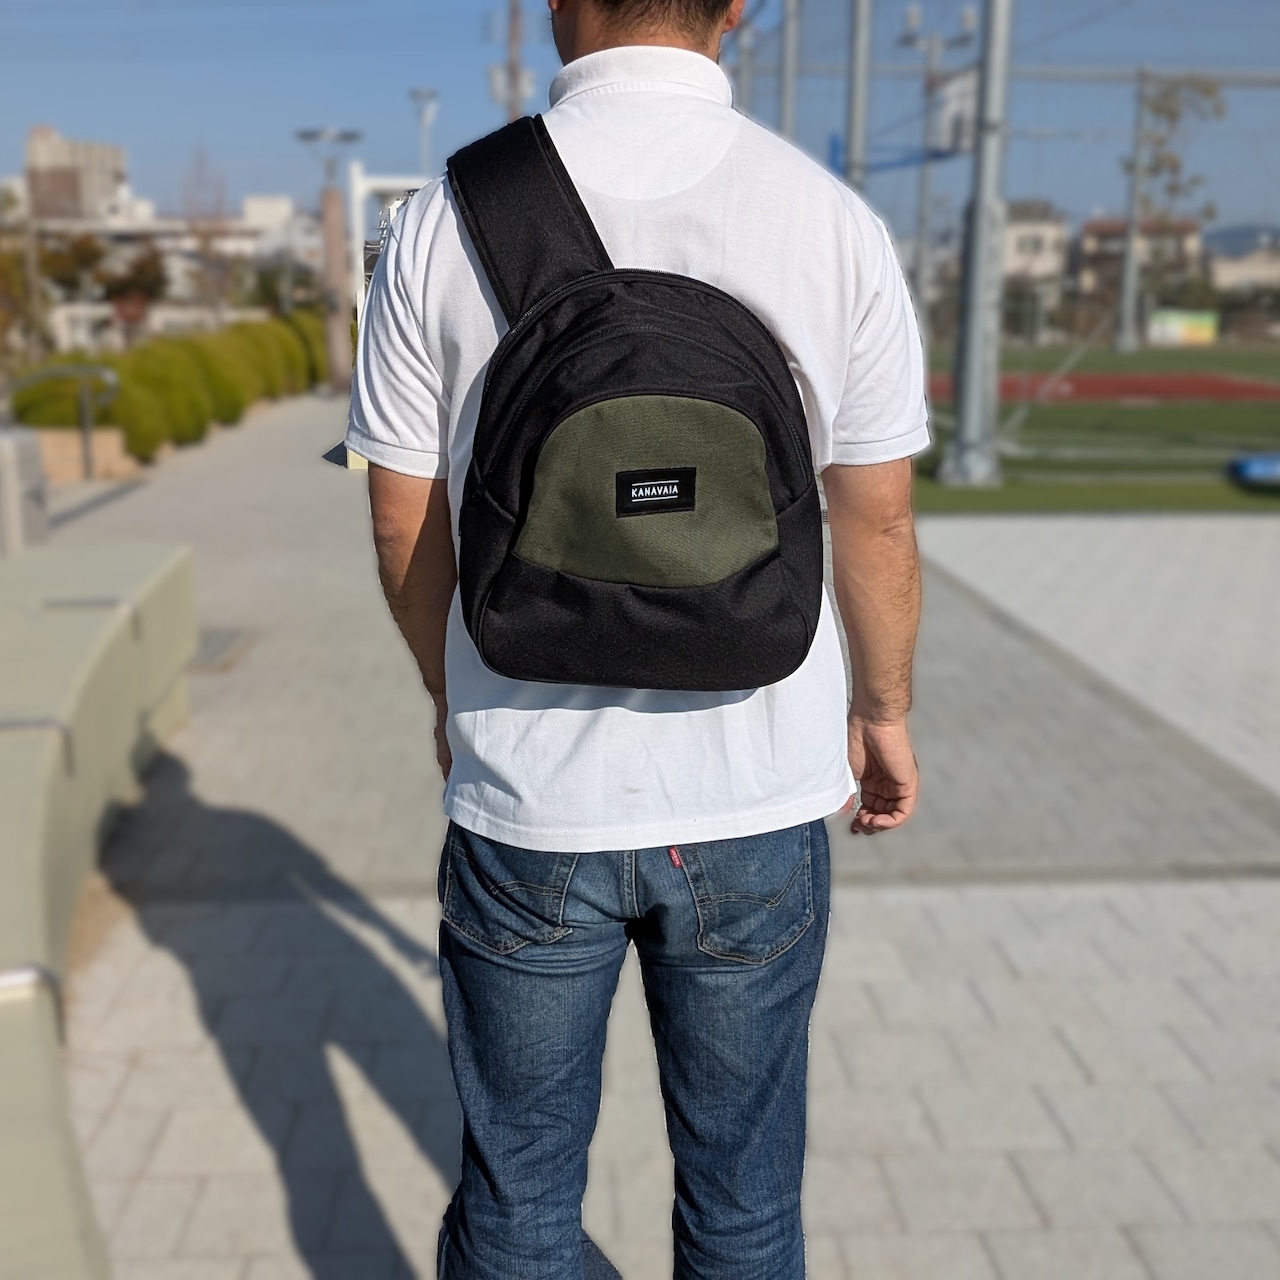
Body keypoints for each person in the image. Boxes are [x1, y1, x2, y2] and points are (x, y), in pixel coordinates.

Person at [347, 0, 927, 1274]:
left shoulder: (447, 215)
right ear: (735, 7)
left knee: (517, 1200)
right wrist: (881, 710)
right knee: (742, 1204)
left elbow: (400, 520)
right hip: (755, 787)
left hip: (525, 795)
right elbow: (875, 518)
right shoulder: (824, 216)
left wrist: (448, 690)